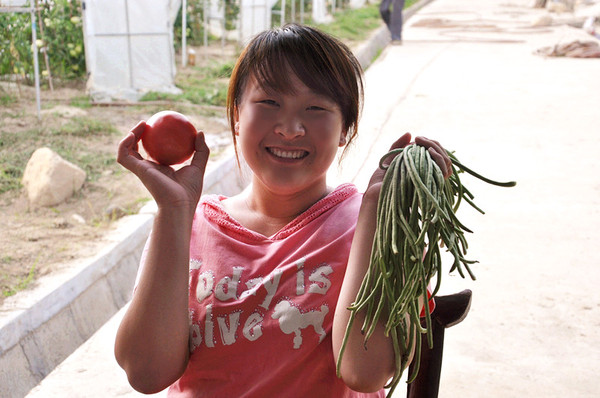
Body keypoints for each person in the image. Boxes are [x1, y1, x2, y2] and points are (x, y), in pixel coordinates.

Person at [114, 23, 451, 397]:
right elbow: (144, 373)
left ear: (345, 129)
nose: (290, 129)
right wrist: (173, 211)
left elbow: (363, 371)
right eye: (269, 103)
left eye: (316, 108)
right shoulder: (189, 228)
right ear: (237, 116)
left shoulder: (379, 229)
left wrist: (375, 211)